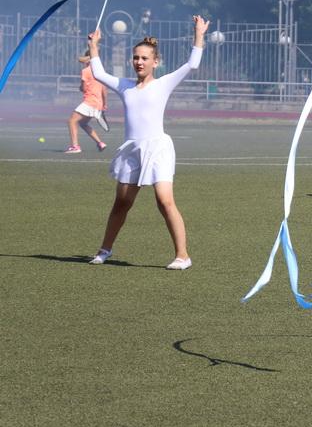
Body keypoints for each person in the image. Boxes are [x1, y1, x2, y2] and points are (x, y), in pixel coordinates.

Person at [85, 16, 209, 270]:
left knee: (164, 200)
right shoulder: (124, 86)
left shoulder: (164, 84)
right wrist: (94, 45)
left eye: (144, 58)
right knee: (122, 203)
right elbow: (98, 72)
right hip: (132, 150)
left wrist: (199, 34)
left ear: (155, 62)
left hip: (158, 148)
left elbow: (192, 64)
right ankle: (104, 249)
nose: (139, 62)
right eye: (136, 58)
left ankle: (182, 256)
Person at [66, 50, 108, 154]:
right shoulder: (100, 72)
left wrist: (80, 87)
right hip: (98, 103)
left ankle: (75, 146)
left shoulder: (86, 71)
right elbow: (104, 90)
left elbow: (84, 88)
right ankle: (100, 143)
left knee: (71, 121)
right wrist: (104, 104)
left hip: (90, 101)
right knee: (82, 123)